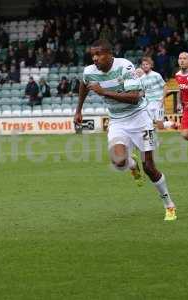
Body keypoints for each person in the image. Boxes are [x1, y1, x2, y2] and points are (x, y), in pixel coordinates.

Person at [74, 39, 177, 221]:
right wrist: (78, 110)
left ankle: (169, 204)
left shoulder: (125, 67)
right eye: (93, 56)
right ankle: (131, 164)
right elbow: (84, 84)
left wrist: (104, 92)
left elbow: (135, 98)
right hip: (117, 121)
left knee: (150, 168)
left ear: (109, 54)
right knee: (119, 161)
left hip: (140, 119)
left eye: (99, 54)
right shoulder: (90, 71)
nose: (95, 58)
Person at [138, 57, 176, 130]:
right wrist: (137, 98)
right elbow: (143, 91)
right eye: (143, 65)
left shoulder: (156, 75)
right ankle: (151, 140)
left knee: (159, 125)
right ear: (141, 66)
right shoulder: (141, 78)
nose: (145, 66)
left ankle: (170, 124)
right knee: (149, 123)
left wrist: (162, 100)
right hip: (148, 103)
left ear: (151, 65)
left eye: (147, 64)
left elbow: (165, 87)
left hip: (158, 102)